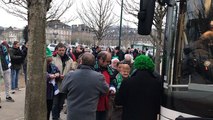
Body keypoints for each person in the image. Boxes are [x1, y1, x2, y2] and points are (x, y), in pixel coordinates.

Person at [61, 53, 109, 120]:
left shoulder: (70, 75)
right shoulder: (99, 77)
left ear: (81, 62)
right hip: (89, 114)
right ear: (94, 63)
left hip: (73, 114)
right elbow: (106, 91)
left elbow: (63, 90)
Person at [115, 55, 162, 120]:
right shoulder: (157, 82)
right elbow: (159, 103)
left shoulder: (127, 82)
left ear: (136, 65)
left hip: (130, 116)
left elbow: (118, 101)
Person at [51, 43, 74, 120]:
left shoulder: (69, 60)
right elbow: (50, 70)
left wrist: (67, 76)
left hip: (65, 84)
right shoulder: (53, 58)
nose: (61, 52)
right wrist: (56, 75)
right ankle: (55, 117)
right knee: (55, 103)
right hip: (55, 85)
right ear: (57, 50)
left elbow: (73, 70)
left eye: (63, 50)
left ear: (65, 50)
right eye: (60, 50)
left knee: (61, 104)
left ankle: (57, 116)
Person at [94, 51, 115, 120]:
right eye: (107, 61)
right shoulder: (93, 69)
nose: (109, 63)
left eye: (109, 61)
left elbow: (113, 81)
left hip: (105, 101)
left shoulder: (110, 70)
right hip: (94, 102)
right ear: (100, 60)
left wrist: (112, 87)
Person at [46, 47, 60, 120]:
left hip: (51, 92)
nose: (49, 63)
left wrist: (57, 74)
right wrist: (48, 76)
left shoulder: (52, 66)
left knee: (49, 109)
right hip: (44, 91)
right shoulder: (41, 66)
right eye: (48, 61)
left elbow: (57, 71)